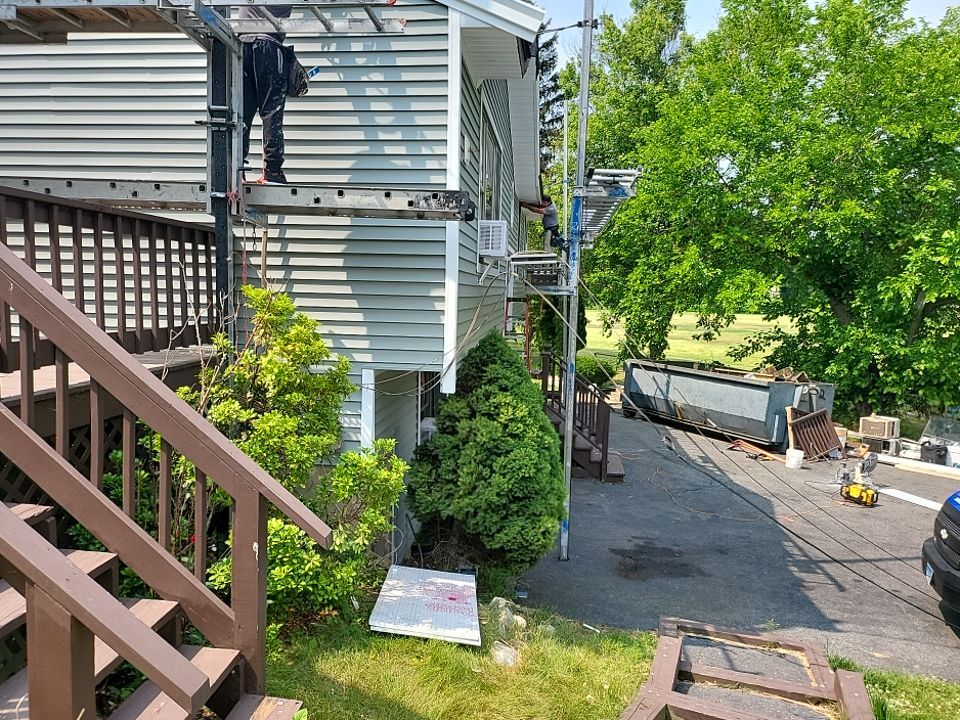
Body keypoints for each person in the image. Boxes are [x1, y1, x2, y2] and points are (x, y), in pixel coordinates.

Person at [240, 4, 292, 184]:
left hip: (242, 46)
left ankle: (236, 170)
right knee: (272, 112)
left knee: (241, 114)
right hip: (269, 45)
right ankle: (273, 171)